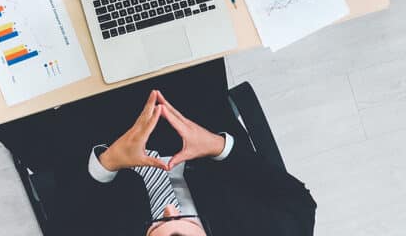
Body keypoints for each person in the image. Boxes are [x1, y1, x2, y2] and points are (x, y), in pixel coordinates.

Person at [52, 90, 316, 236]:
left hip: (98, 127)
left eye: (156, 226)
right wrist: (218, 146)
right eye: (184, 221)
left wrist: (107, 163)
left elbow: (67, 219)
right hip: (197, 115)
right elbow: (298, 202)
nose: (169, 210)